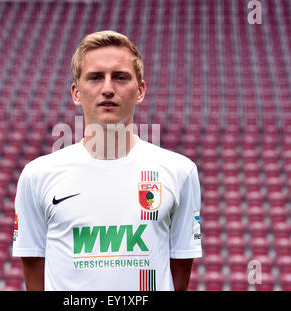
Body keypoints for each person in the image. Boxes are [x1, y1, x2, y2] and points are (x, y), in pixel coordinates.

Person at [12, 30, 202, 291]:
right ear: (76, 93)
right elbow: (33, 265)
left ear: (140, 90)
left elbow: (180, 265)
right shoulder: (37, 175)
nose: (108, 88)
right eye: (95, 77)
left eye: (121, 77)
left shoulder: (180, 172)